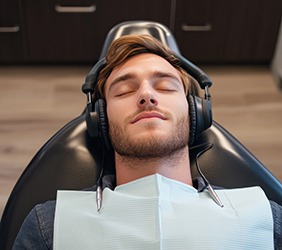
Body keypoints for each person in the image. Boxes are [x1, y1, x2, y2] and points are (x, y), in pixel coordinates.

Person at [13, 35, 281, 249]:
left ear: (195, 111)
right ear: (100, 119)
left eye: (165, 87)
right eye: (124, 90)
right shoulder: (49, 227)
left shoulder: (267, 219)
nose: (146, 96)